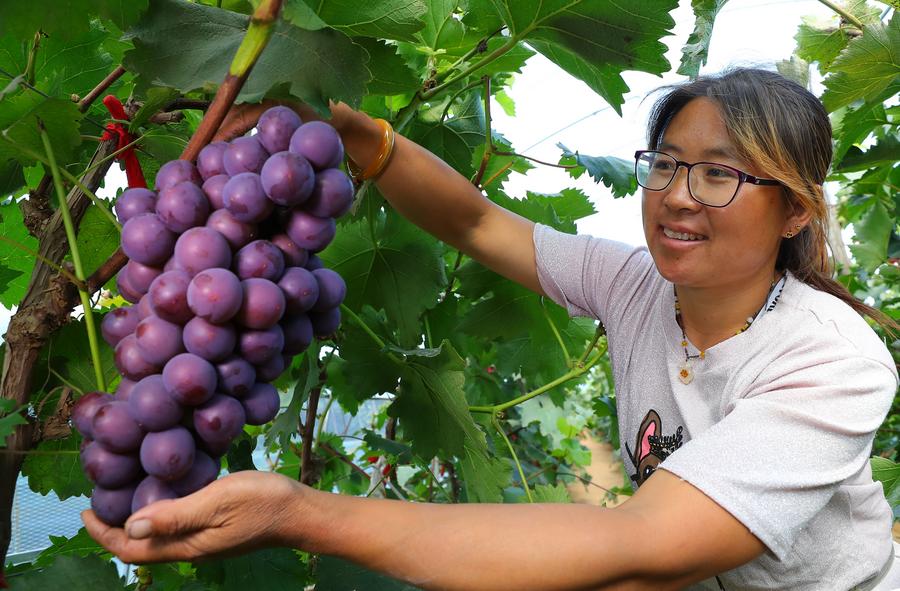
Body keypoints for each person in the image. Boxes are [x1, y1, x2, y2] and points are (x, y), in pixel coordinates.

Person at [83, 68, 898, 590]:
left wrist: (298, 513)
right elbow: (476, 222)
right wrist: (353, 135)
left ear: (795, 209)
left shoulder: (832, 360)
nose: (679, 194)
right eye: (666, 163)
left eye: (719, 173)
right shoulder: (636, 285)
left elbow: (644, 539)